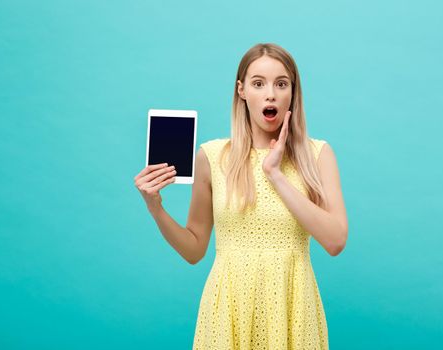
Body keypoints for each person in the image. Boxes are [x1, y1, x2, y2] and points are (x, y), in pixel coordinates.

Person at [134, 43, 348, 350]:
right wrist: (156, 209)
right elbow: (195, 250)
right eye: (258, 83)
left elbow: (335, 240)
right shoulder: (212, 156)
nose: (270, 94)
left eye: (281, 83)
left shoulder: (318, 155)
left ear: (293, 92)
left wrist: (274, 174)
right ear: (242, 91)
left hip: (292, 307)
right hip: (228, 311)